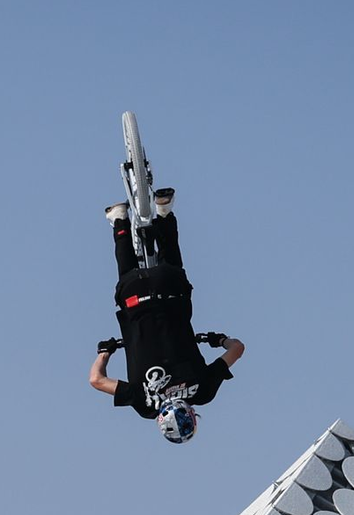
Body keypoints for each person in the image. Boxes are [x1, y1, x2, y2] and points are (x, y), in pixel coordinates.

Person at [89, 190, 244, 443]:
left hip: (171, 291)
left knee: (172, 264)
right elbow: (96, 380)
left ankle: (164, 212)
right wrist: (105, 352)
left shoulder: (203, 391)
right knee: (127, 275)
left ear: (192, 415)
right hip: (135, 299)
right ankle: (119, 220)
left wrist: (219, 340)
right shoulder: (144, 403)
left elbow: (238, 348)